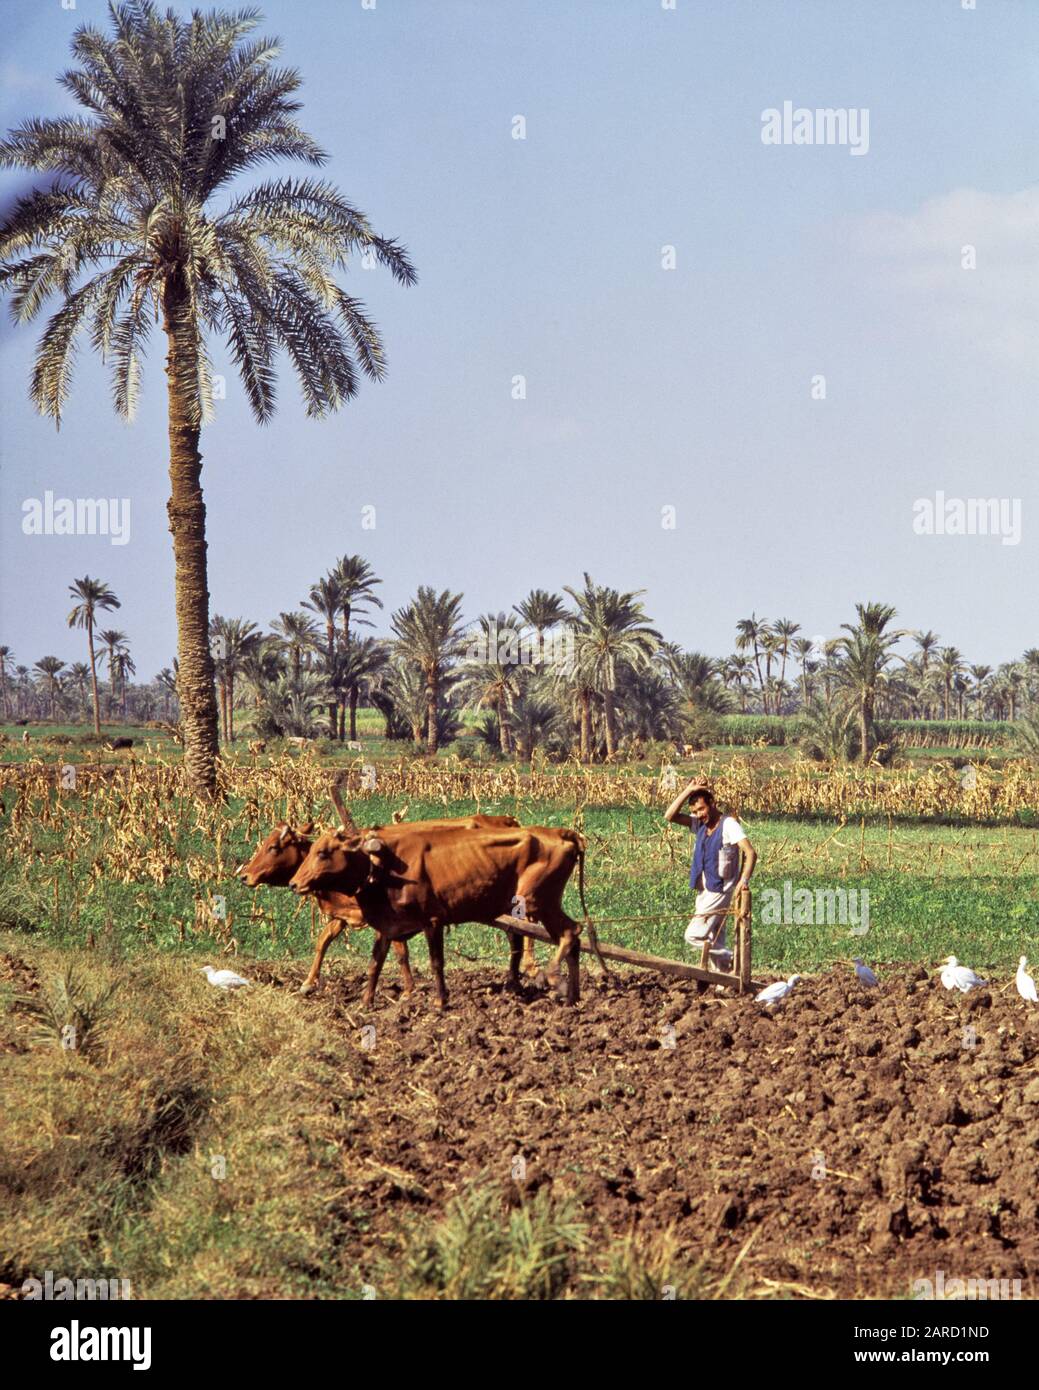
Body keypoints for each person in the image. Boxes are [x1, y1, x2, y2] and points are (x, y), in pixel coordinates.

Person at [663, 778, 756, 968]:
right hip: (704, 891)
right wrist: (689, 790)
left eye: (701, 809)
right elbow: (669, 816)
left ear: (712, 804)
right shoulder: (699, 825)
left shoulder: (728, 825)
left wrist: (743, 880)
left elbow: (750, 852)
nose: (698, 815)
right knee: (714, 937)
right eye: (695, 812)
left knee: (693, 935)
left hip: (720, 890)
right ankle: (723, 980)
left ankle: (733, 957)